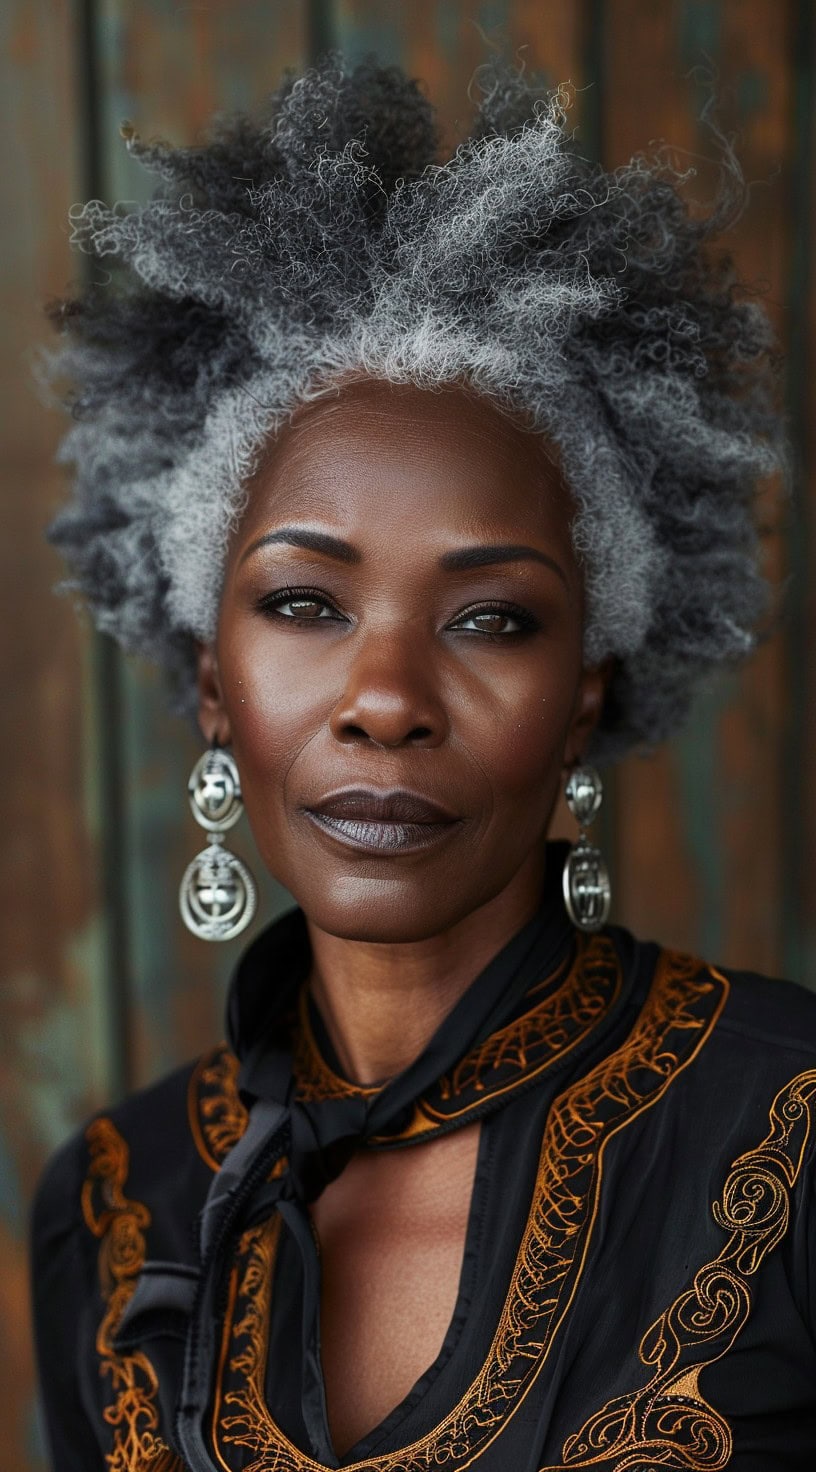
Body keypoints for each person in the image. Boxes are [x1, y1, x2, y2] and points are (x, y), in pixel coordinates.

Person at [29, 53, 816, 1472]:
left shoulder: (790, 1126)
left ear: (583, 700)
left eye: (491, 619)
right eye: (305, 603)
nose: (386, 699)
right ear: (215, 682)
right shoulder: (110, 1205)